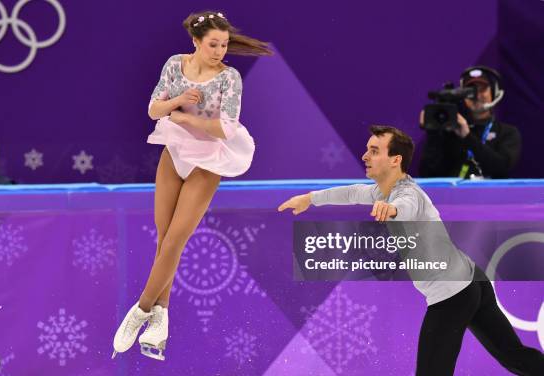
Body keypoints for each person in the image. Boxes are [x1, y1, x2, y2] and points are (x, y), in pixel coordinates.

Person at [279, 125, 544, 375]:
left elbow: (405, 207)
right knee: (514, 355)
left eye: (374, 151)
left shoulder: (407, 195)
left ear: (395, 160)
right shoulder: (381, 192)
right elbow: (350, 193)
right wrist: (310, 198)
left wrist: (392, 210)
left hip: (453, 295)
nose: (364, 156)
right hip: (473, 279)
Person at [112, 10, 272, 361]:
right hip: (175, 151)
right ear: (196, 42)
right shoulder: (174, 65)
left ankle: (139, 312)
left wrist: (184, 117)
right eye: (213, 44)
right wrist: (177, 104)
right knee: (163, 233)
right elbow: (155, 110)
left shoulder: (229, 78)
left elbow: (226, 129)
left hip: (207, 160)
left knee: (175, 239)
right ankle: (161, 320)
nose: (219, 50)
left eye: (224, 45)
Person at [419, 66, 521, 178]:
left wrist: (467, 137)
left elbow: (501, 167)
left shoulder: (507, 132)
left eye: (482, 88)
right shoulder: (451, 131)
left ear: (494, 92)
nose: (477, 95)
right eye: (470, 90)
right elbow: (428, 174)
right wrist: (433, 133)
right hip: (455, 194)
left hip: (493, 194)